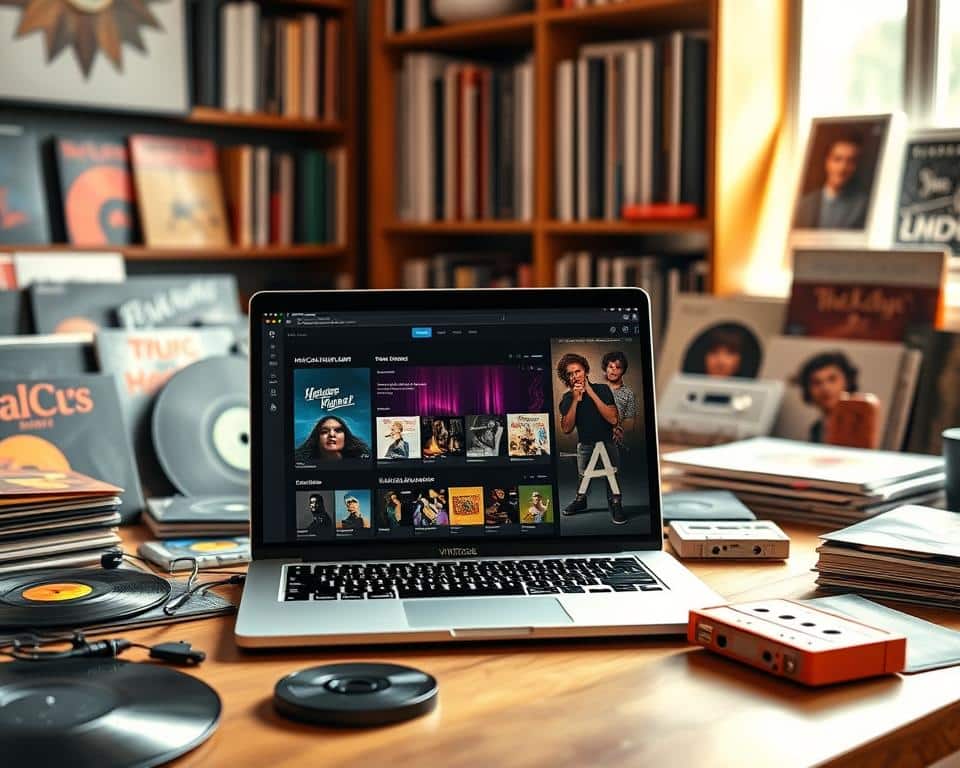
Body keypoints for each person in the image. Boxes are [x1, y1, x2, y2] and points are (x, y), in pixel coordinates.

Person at [556, 352, 625, 524]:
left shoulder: (602, 389)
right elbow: (566, 428)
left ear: (585, 371)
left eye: (577, 371)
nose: (574, 376)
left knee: (612, 476)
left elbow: (613, 419)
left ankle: (615, 503)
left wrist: (590, 392)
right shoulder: (566, 398)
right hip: (585, 444)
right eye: (570, 374)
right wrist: (576, 400)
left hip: (607, 442)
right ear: (567, 378)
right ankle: (581, 501)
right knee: (583, 476)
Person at [794, 133, 869, 230]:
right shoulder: (804, 205)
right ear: (827, 162)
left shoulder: (863, 206)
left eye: (850, 161)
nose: (842, 168)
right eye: (837, 159)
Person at [793, 351, 860, 443]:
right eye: (816, 382)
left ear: (848, 381)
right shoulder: (814, 431)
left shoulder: (862, 426)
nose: (825, 388)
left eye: (832, 379)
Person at [295, 415, 370, 462]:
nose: (331, 434)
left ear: (346, 437)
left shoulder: (363, 460)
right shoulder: (301, 462)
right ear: (317, 438)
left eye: (338, 430)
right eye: (324, 432)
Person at [602, 350, 637, 444]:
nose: (614, 369)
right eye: (610, 366)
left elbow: (630, 422)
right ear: (605, 369)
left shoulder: (629, 394)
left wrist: (618, 429)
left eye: (618, 367)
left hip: (616, 442)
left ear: (623, 371)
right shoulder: (598, 389)